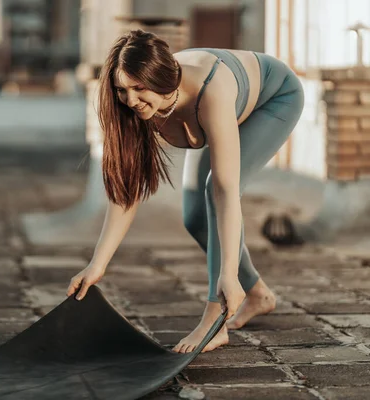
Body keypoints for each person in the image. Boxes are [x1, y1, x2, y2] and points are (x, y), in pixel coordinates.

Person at [66, 29, 304, 353]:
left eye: (139, 88)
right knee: (194, 219)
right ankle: (259, 295)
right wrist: (98, 264)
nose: (131, 100)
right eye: (122, 89)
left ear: (162, 80)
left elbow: (226, 190)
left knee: (212, 191)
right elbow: (127, 191)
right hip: (217, 106)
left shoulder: (211, 92)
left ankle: (215, 319)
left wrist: (228, 275)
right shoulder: (135, 110)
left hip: (275, 98)